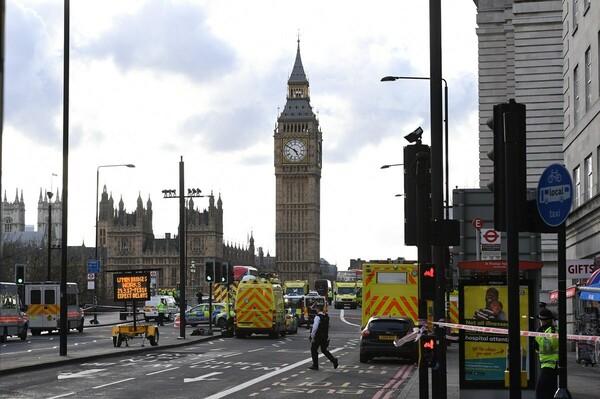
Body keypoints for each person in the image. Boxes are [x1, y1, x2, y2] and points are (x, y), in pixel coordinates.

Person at [532, 308, 558, 399]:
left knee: (541, 390)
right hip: (546, 364)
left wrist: (538, 337)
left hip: (551, 364)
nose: (540, 321)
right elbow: (540, 350)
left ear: (544, 320)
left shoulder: (552, 330)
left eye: (541, 320)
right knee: (549, 390)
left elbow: (548, 347)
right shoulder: (544, 330)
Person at [308, 304, 338, 371]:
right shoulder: (326, 317)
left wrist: (312, 336)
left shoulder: (317, 317)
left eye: (316, 309)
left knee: (314, 350)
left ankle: (315, 365)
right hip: (325, 336)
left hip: (318, 336)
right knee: (324, 350)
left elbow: (315, 328)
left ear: (318, 309)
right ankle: (333, 360)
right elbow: (328, 326)